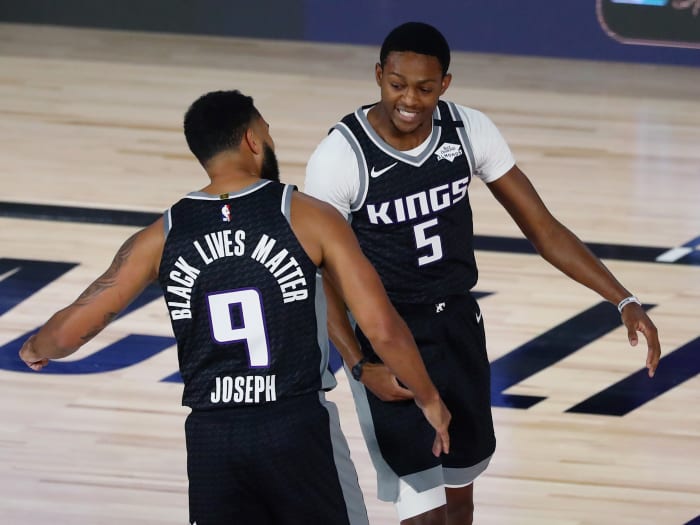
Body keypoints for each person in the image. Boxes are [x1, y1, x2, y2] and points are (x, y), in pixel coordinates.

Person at [18, 89, 452, 525]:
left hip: (213, 442)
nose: (270, 140)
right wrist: (430, 398)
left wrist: (37, 346)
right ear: (251, 139)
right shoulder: (309, 217)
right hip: (296, 427)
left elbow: (73, 330)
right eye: (267, 130)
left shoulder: (161, 236)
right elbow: (382, 328)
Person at [304, 22, 662, 525]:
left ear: (445, 84)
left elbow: (542, 228)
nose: (410, 99)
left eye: (425, 88)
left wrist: (622, 299)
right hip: (390, 335)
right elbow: (320, 276)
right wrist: (360, 363)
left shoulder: (468, 129)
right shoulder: (340, 157)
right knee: (422, 510)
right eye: (397, 84)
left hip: (459, 327)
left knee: (459, 502)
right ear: (379, 75)